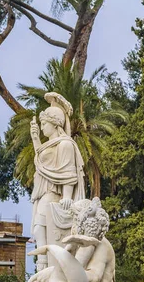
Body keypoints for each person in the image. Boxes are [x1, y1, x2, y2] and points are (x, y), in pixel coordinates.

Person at [31, 92, 85, 271]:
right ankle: (43, 268)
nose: (42, 127)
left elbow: (68, 173)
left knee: (41, 228)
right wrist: (35, 139)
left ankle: (48, 268)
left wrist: (67, 196)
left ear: (55, 124)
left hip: (54, 196)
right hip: (43, 194)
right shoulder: (49, 144)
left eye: (44, 124)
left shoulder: (65, 145)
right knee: (39, 230)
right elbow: (44, 163)